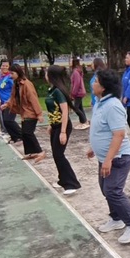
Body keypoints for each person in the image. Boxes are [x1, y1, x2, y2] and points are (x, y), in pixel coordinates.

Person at [87, 69, 130, 244]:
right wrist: (94, 147)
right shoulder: (99, 102)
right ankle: (116, 219)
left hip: (119, 158)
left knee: (113, 191)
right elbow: (100, 129)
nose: (93, 83)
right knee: (105, 189)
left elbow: (119, 134)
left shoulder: (113, 106)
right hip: (105, 157)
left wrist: (109, 159)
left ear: (103, 87)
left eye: (96, 81)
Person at [45, 65, 82, 194]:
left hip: (63, 126)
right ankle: (62, 180)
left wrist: (63, 132)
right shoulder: (51, 90)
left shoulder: (58, 92)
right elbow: (54, 110)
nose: (45, 75)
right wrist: (51, 124)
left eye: (47, 73)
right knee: (56, 154)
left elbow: (65, 111)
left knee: (59, 155)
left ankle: (71, 184)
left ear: (52, 76)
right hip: (55, 125)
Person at [4, 64, 45, 162]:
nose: (11, 75)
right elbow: (13, 97)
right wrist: (7, 104)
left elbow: (33, 98)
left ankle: (40, 152)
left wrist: (39, 114)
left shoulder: (27, 84)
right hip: (24, 112)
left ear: (18, 73)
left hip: (30, 112)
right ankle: (31, 152)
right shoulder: (16, 84)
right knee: (24, 133)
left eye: (12, 73)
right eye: (10, 73)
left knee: (28, 132)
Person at [0, 60, 22, 144]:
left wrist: (10, 101)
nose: (4, 67)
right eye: (3, 65)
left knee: (9, 120)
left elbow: (16, 90)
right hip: (3, 102)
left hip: (10, 102)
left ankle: (21, 135)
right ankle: (14, 137)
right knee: (5, 121)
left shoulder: (10, 78)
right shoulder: (0, 77)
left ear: (9, 68)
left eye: (6, 66)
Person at [69, 58, 90, 130]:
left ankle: (84, 121)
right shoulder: (78, 71)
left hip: (78, 92)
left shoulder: (75, 72)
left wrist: (73, 93)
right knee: (80, 107)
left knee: (76, 107)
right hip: (80, 92)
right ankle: (83, 121)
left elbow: (76, 84)